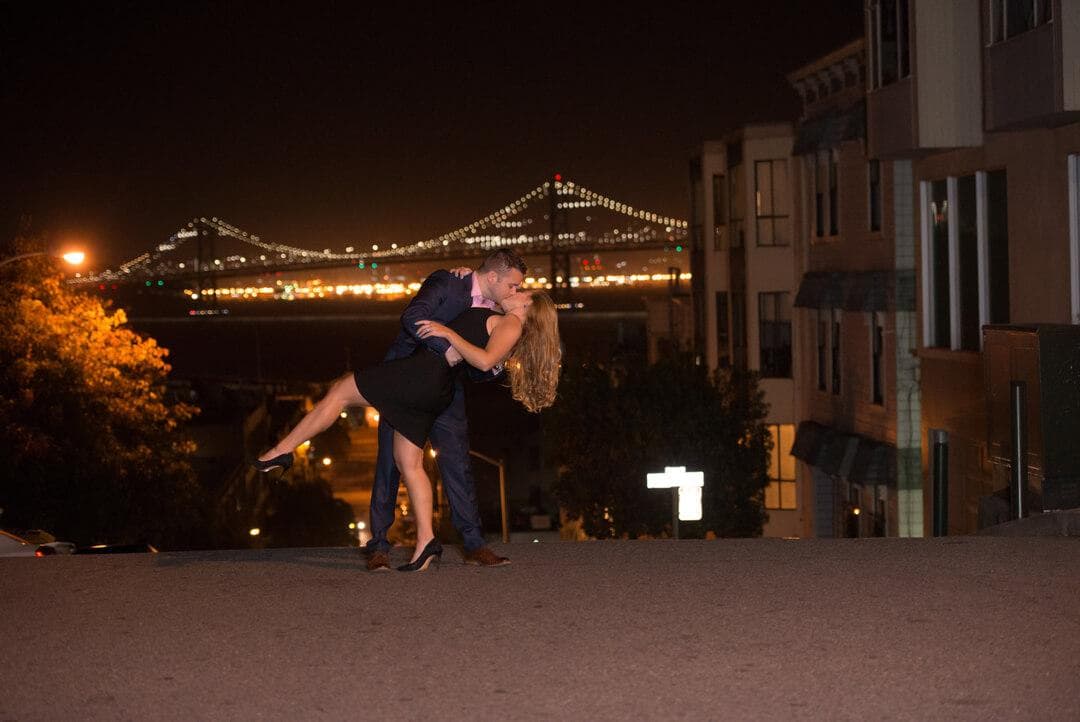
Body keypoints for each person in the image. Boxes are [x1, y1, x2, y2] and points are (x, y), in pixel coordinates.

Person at [253, 251, 561, 571]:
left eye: (520, 289)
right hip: (411, 374)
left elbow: (482, 359)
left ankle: (473, 544)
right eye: (515, 285)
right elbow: (413, 317)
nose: (517, 290)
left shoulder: (504, 310)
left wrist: (458, 349)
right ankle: (398, 544)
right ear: (494, 277)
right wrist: (450, 348)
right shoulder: (452, 282)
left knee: (450, 461)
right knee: (399, 461)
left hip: (432, 384)